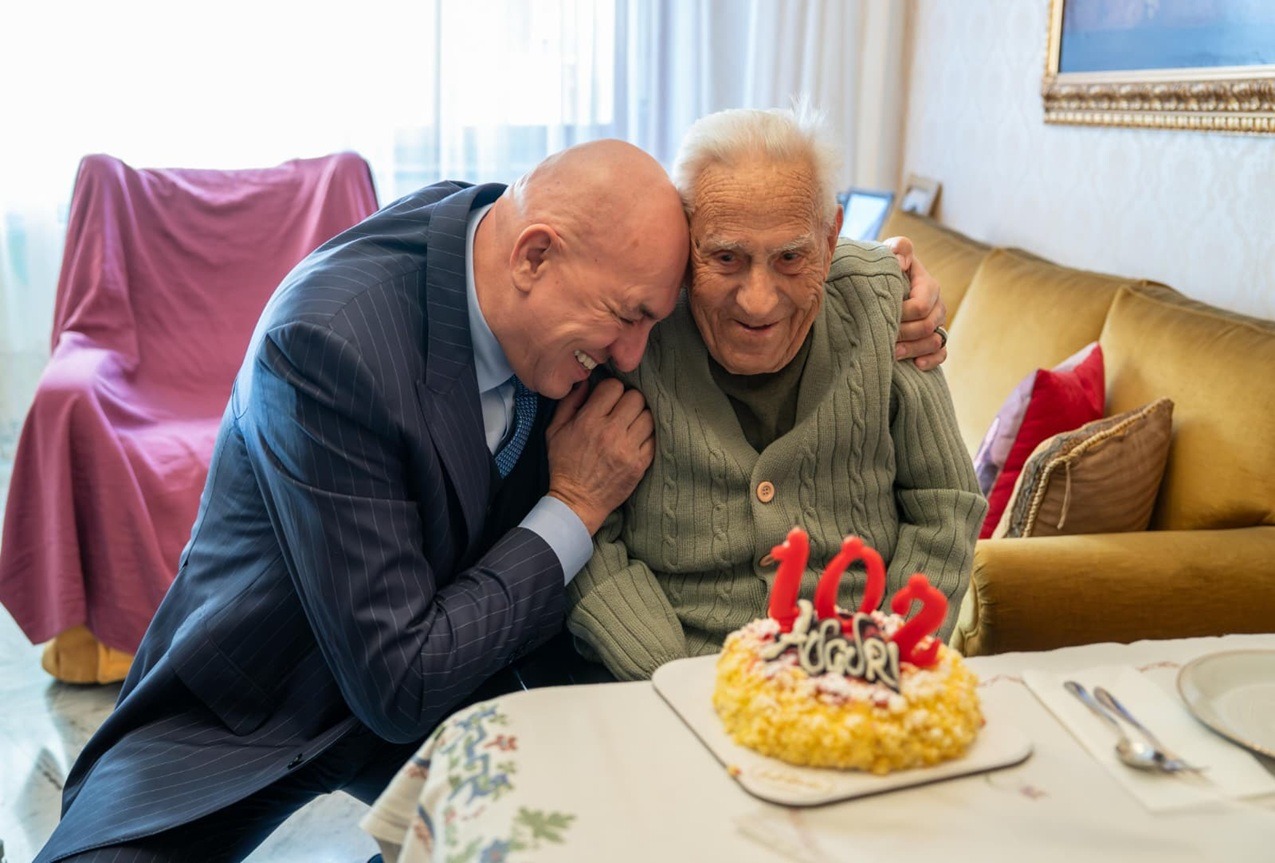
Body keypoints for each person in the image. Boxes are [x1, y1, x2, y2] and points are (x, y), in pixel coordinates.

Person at [38, 134, 947, 862]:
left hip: (488, 689)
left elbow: (750, 236)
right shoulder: (324, 345)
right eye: (627, 318)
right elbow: (397, 682)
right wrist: (573, 508)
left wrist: (883, 281)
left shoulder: (550, 271)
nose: (637, 356)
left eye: (649, 319)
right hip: (260, 701)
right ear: (532, 257)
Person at [566, 107, 986, 681]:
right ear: (683, 243)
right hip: (672, 680)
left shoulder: (885, 301)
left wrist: (885, 662)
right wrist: (674, 680)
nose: (758, 301)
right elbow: (586, 530)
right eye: (726, 258)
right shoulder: (638, 320)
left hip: (863, 672)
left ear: (831, 236)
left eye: (791, 257)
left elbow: (946, 503)